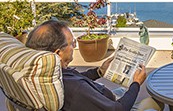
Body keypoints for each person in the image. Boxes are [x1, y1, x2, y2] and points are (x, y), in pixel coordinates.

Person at [25, 20, 163, 111]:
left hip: (100, 99)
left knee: (121, 90)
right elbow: (118, 109)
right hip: (109, 105)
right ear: (58, 53)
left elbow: (75, 78)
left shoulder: (45, 72)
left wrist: (98, 72)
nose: (74, 46)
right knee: (156, 103)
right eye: (72, 43)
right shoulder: (75, 89)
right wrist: (136, 83)